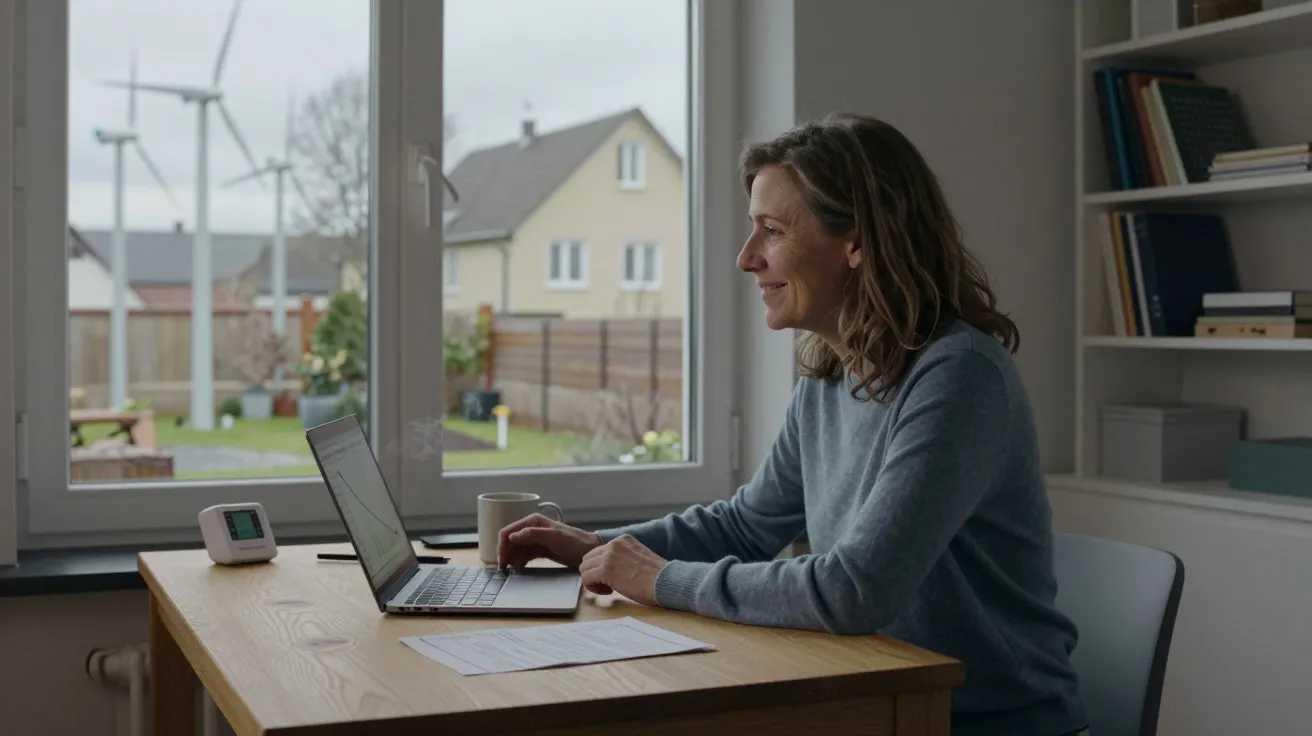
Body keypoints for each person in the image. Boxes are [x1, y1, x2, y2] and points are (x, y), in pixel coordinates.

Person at [497, 113, 1088, 736]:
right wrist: (601, 549)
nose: (746, 257)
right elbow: (748, 526)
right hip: (870, 695)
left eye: (771, 230)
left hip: (975, 720)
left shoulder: (960, 378)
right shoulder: (833, 374)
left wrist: (660, 579)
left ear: (856, 243)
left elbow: (854, 589)